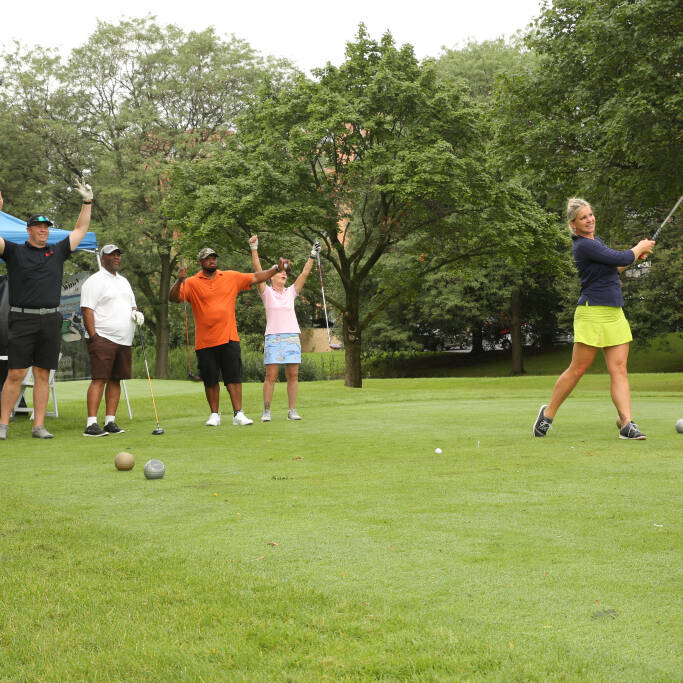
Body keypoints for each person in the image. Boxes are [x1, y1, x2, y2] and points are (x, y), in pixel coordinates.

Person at [532, 198, 655, 440]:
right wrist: (638, 247)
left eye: (590, 215)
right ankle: (547, 415)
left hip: (614, 312)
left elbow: (615, 266)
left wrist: (632, 258)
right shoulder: (583, 246)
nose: (589, 220)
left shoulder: (595, 242)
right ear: (573, 224)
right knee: (578, 369)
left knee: (619, 369)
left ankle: (627, 423)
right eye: (583, 218)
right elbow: (620, 258)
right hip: (591, 312)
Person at [0, 180, 93, 440]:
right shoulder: (14, 252)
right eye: (39, 227)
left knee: (42, 373)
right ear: (29, 230)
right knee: (16, 373)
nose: (44, 230)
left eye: (46, 227)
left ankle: (38, 425)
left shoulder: (58, 251)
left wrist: (87, 202)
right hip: (22, 318)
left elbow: (80, 228)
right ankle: (3, 424)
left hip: (50, 319)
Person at [169, 247, 290, 426]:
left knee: (233, 377)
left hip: (229, 336)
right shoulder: (192, 282)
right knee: (210, 379)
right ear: (200, 262)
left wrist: (276, 269)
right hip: (205, 340)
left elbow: (257, 277)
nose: (212, 260)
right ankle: (214, 415)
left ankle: (238, 414)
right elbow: (173, 298)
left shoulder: (230, 276)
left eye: (214, 258)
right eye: (208, 258)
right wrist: (179, 280)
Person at [249, 234, 319, 421]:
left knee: (293, 374)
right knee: (271, 375)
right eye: (281, 273)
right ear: (272, 277)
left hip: (291, 337)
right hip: (273, 337)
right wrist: (254, 248)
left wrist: (312, 255)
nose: (284, 274)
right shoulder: (266, 292)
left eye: (285, 273)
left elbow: (304, 274)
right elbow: (257, 270)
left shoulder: (291, 292)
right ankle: (266, 411)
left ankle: (292, 411)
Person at [80, 244, 143, 437]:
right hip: (103, 337)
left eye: (118, 255)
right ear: (103, 258)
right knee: (99, 379)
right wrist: (94, 336)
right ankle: (91, 424)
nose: (116, 258)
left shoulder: (124, 281)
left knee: (116, 380)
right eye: (111, 255)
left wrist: (136, 314)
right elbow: (87, 309)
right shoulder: (95, 281)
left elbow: (132, 306)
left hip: (124, 339)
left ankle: (110, 421)